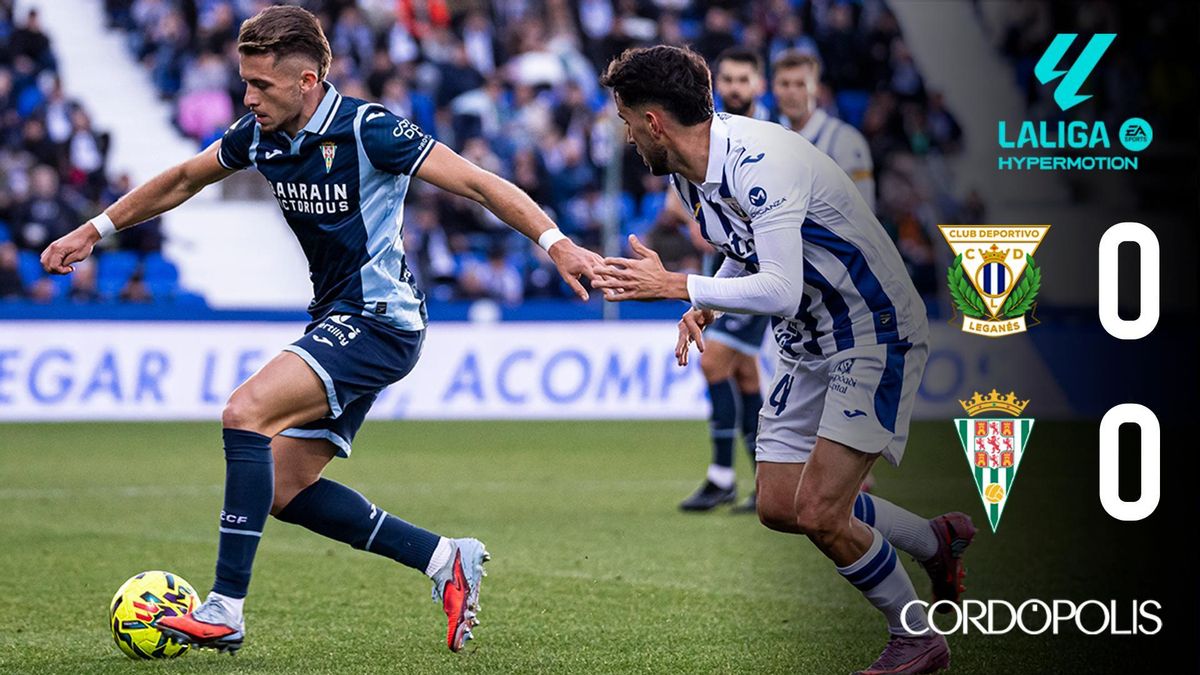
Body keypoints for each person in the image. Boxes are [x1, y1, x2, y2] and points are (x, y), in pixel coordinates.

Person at [41, 6, 600, 655]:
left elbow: (477, 181)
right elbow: (185, 178)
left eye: (262, 86)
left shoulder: (370, 130)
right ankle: (444, 557)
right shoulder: (260, 134)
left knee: (244, 412)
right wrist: (94, 229)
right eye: (244, 83)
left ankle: (224, 606)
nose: (248, 98)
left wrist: (556, 242)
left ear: (307, 81)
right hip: (340, 316)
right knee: (281, 487)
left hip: (380, 317)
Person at [595, 46, 973, 674]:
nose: (627, 134)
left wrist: (680, 287)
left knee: (822, 511)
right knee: (780, 504)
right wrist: (710, 303)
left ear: (655, 121)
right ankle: (935, 539)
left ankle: (917, 637)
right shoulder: (694, 169)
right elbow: (748, 252)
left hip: (871, 329)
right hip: (812, 336)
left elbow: (780, 289)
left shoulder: (757, 161)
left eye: (628, 119)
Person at [674, 46, 772, 513]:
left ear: (758, 85)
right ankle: (759, 480)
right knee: (745, 372)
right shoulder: (712, 140)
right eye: (726, 80)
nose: (733, 88)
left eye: (742, 80)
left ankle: (722, 477)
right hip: (737, 261)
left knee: (714, 364)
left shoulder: (768, 140)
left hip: (765, 269)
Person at [772, 50, 876, 211]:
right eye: (784, 84)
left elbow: (865, 211)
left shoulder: (844, 140)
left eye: (800, 84)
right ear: (774, 88)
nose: (791, 92)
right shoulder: (771, 139)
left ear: (817, 89)